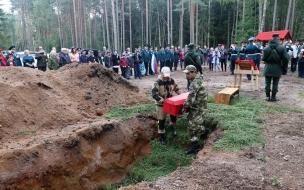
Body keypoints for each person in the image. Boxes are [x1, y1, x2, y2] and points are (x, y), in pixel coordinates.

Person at [182, 65, 208, 154]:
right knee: (191, 126)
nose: (187, 75)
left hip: (199, 108)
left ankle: (204, 131)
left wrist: (185, 106)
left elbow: (191, 97)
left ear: (194, 72)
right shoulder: (197, 79)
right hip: (197, 106)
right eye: (186, 74)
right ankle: (195, 146)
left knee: (192, 126)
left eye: (188, 73)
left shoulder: (195, 83)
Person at [152, 67, 181, 145]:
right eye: (165, 75)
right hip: (161, 104)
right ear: (161, 73)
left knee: (173, 115)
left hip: (171, 102)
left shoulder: (171, 80)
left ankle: (172, 126)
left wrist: (181, 95)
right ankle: (161, 135)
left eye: (167, 75)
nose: (166, 77)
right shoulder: (157, 82)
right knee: (161, 120)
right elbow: (154, 95)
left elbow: (176, 88)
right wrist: (163, 101)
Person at [262, 33, 289, 101]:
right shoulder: (282, 47)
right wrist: (283, 65)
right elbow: (286, 58)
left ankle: (267, 97)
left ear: (272, 38)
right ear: (278, 38)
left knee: (267, 82)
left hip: (268, 67)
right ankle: (273, 97)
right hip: (277, 67)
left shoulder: (266, 48)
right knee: (275, 83)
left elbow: (263, 58)